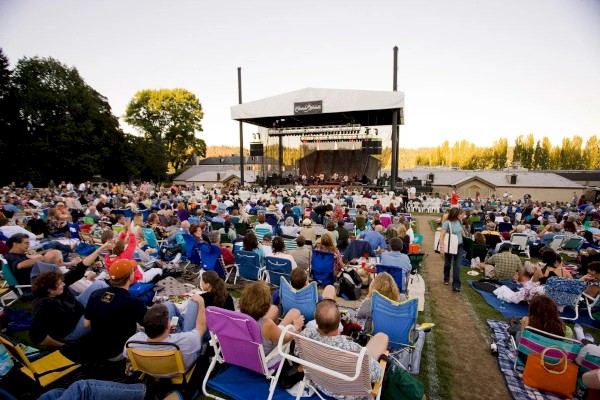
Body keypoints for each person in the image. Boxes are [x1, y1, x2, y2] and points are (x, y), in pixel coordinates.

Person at [29, 243, 112, 347]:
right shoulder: (44, 306)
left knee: (99, 284)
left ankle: (114, 305)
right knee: (102, 311)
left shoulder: (57, 288)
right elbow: (36, 335)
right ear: (50, 290)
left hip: (76, 308)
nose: (64, 284)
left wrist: (99, 250)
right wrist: (62, 346)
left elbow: (79, 268)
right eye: (60, 284)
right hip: (71, 329)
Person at [301, 299, 388, 398]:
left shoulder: (306, 336)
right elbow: (377, 375)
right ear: (339, 321)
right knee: (382, 337)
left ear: (316, 321)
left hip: (320, 384)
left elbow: (297, 352)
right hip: (350, 395)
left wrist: (340, 339)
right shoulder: (353, 349)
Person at [124, 294, 206, 375]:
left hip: (150, 370)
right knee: (193, 303)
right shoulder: (186, 340)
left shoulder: (132, 342)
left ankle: (181, 318)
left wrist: (167, 331)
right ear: (167, 326)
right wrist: (201, 303)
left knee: (168, 304)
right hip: (179, 370)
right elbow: (201, 328)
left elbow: (127, 356)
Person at [83, 259, 148, 361]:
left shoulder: (96, 294)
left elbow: (86, 324)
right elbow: (150, 327)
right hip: (118, 352)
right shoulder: (134, 301)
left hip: (97, 348)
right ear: (130, 277)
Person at [239, 281, 304, 358]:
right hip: (266, 356)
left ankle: (274, 333)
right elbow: (285, 340)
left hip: (246, 349)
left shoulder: (237, 317)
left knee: (274, 308)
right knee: (295, 312)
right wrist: (296, 327)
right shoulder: (266, 324)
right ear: (265, 306)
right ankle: (296, 352)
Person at [439, 207, 465, 292]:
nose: (461, 215)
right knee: (448, 263)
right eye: (460, 214)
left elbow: (461, 231)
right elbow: (442, 235)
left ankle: (456, 285)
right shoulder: (447, 223)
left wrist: (466, 238)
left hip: (460, 245)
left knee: (457, 265)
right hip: (450, 245)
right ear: (455, 214)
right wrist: (442, 247)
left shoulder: (460, 221)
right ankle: (446, 278)